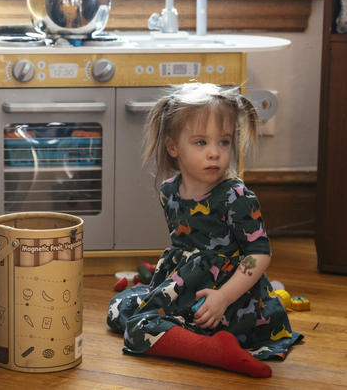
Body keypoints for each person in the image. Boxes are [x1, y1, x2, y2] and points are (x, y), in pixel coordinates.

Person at [106, 83, 302, 377]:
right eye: (201, 142)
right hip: (186, 286)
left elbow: (258, 255)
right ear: (173, 147)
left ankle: (214, 350)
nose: (214, 153)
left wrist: (223, 297)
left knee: (138, 329)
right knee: (118, 309)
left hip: (225, 299)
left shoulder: (236, 196)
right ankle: (200, 340)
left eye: (223, 142)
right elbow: (185, 249)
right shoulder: (169, 191)